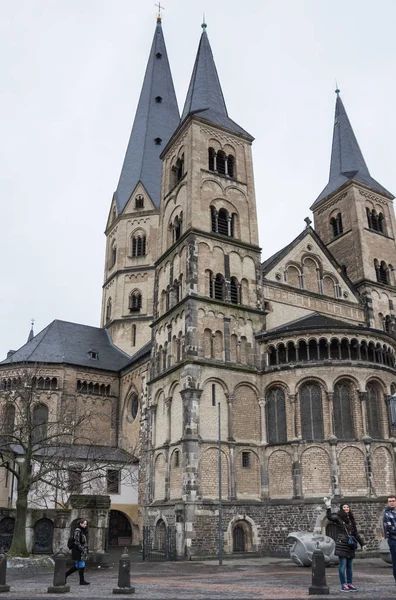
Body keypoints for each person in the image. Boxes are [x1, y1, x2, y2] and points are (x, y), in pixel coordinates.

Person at [323, 497, 365, 592]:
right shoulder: (338, 518)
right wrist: (328, 506)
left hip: (350, 545)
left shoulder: (351, 520)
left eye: (347, 507)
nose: (346, 508)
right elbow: (330, 517)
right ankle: (343, 584)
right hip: (342, 543)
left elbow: (355, 533)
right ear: (342, 509)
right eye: (344, 507)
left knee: (350, 565)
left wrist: (362, 544)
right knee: (343, 565)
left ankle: (350, 583)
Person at [65, 518, 90, 585]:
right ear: (80, 524)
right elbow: (77, 541)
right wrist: (82, 549)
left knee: (77, 565)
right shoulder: (78, 530)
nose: (85, 525)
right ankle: (81, 581)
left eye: (86, 524)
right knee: (81, 565)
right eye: (84, 524)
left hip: (81, 550)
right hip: (78, 551)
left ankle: (65, 575)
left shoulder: (83, 531)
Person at [383, 494, 396, 585]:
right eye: (390, 501)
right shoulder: (387, 514)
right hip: (393, 541)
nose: (391, 503)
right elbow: (389, 528)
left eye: (393, 501)